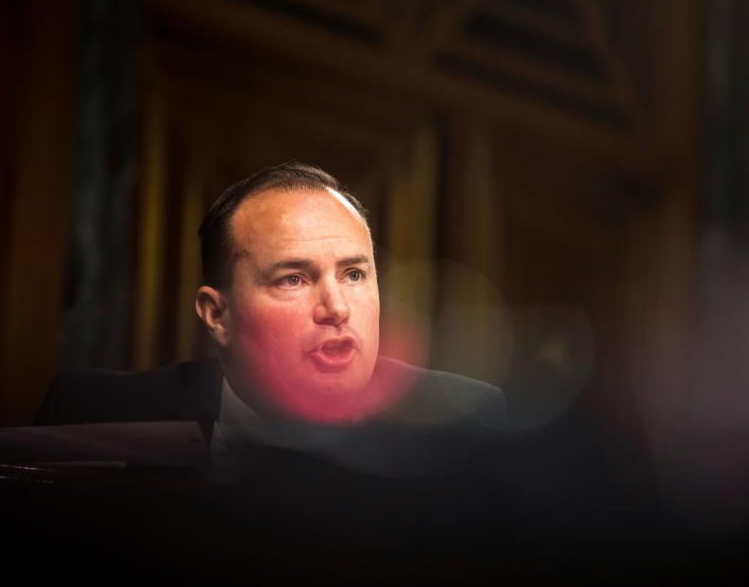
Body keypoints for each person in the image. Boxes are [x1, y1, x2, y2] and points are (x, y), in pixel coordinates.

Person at [36, 162, 507, 479]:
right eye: (294, 279)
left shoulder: (466, 424)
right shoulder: (92, 414)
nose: (337, 308)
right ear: (217, 314)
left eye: (355, 273)